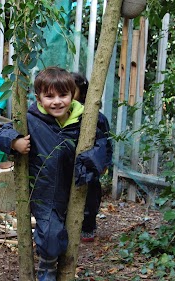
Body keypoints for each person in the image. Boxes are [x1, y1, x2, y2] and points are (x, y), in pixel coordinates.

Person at [0, 67, 108, 281]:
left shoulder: (86, 119)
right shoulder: (31, 119)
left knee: (81, 219)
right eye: (49, 96)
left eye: (63, 95)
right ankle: (47, 266)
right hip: (46, 190)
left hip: (78, 187)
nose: (57, 102)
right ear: (38, 98)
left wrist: (96, 161)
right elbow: (2, 132)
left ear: (73, 94)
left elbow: (103, 144)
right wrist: (14, 141)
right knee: (49, 232)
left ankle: (66, 259)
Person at [71, 72, 113, 242]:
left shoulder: (96, 117)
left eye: (70, 91)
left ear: (81, 92)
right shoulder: (59, 115)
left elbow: (106, 142)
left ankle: (88, 226)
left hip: (90, 164)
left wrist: (104, 162)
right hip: (68, 165)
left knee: (90, 196)